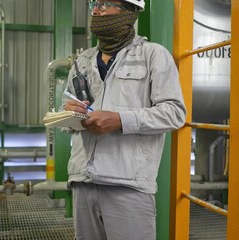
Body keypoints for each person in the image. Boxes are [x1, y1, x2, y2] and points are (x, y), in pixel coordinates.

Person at [60, 0, 186, 239]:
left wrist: (120, 120)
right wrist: (70, 113)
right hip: (83, 182)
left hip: (128, 186)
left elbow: (174, 113)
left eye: (105, 5)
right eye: (94, 4)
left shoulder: (153, 55)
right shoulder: (83, 61)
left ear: (129, 12)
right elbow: (66, 112)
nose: (96, 11)